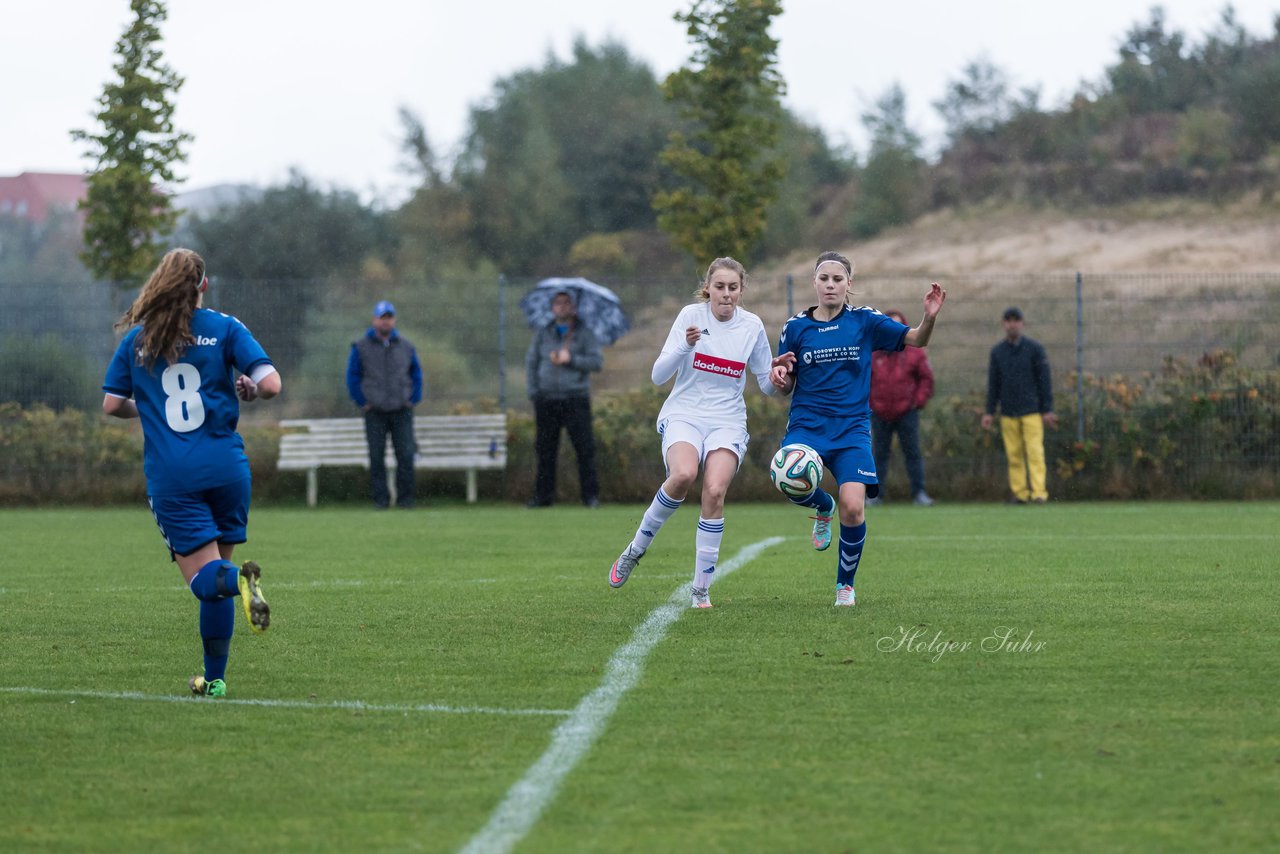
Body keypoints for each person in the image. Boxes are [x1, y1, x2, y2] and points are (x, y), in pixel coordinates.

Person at [102, 248, 280, 699]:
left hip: (174, 477)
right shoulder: (225, 327)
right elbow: (271, 384)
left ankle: (240, 578)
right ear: (203, 286)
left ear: (159, 284)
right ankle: (214, 680)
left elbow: (111, 405)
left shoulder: (138, 340)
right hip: (227, 469)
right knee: (217, 576)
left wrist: (151, 408)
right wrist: (250, 391)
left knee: (211, 581)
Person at [770, 251, 946, 607]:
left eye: (838, 279)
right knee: (785, 479)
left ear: (850, 284)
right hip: (807, 427)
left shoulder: (866, 321)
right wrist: (779, 376)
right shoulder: (795, 328)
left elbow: (917, 340)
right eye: (824, 279)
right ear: (814, 284)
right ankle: (822, 507)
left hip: (851, 430)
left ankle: (844, 586)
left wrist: (929, 318)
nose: (831, 285)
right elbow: (785, 383)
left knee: (853, 507)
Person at [608, 257, 776, 608]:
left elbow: (766, 383)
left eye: (733, 288)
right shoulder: (690, 317)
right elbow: (658, 376)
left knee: (714, 491)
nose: (726, 294)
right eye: (720, 287)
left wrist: (780, 378)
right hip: (684, 413)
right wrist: (685, 346)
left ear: (741, 291)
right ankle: (635, 549)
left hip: (727, 420)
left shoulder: (752, 326)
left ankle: (700, 589)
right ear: (708, 290)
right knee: (684, 474)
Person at [525, 289, 604, 508]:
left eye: (566, 303)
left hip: (575, 398)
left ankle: (590, 497)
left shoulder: (584, 333)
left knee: (584, 449)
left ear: (573, 307)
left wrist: (572, 359)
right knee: (545, 450)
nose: (562, 306)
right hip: (546, 399)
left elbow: (596, 362)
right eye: (558, 303)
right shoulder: (543, 333)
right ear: (552, 307)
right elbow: (531, 363)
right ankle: (542, 498)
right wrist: (534, 392)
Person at [346, 301, 424, 509]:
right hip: (375, 411)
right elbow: (352, 376)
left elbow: (416, 374)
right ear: (374, 320)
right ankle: (380, 500)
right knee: (376, 457)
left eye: (389, 317)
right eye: (382, 318)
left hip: (401, 410)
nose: (386, 321)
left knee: (406, 456)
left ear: (394, 320)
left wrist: (412, 399)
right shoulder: (361, 347)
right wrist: (362, 401)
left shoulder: (406, 346)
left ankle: (405, 500)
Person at [981, 306, 1058, 504]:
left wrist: (1047, 409)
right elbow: (993, 384)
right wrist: (989, 412)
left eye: (1016, 320)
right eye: (1008, 320)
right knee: (1014, 455)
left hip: (1031, 411)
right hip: (1008, 412)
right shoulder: (997, 352)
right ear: (1003, 324)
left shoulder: (1035, 350)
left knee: (1034, 453)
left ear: (1022, 324)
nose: (1012, 324)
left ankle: (1039, 493)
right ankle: (1020, 494)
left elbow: (1044, 381)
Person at [868, 308, 936, 507]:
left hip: (907, 412)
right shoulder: (872, 352)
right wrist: (870, 403)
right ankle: (875, 496)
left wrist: (918, 401)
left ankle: (919, 493)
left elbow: (926, 378)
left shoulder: (914, 352)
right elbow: (862, 380)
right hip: (879, 412)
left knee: (913, 453)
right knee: (878, 455)